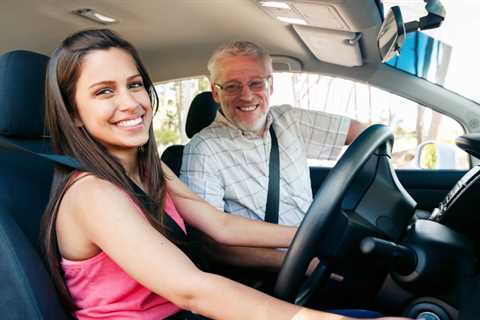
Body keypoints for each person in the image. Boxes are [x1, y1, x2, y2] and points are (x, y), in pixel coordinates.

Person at [40, 29, 407, 320]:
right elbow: (193, 288)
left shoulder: (148, 165)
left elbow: (221, 225)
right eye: (104, 92)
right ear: (73, 113)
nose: (130, 103)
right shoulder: (92, 193)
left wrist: (313, 235)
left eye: (134, 84)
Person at [180, 41, 366, 270]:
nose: (246, 96)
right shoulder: (204, 149)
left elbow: (364, 135)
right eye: (232, 86)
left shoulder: (291, 120)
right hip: (274, 275)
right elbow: (212, 244)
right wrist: (301, 265)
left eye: (256, 83)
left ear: (271, 86)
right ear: (215, 93)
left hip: (318, 250)